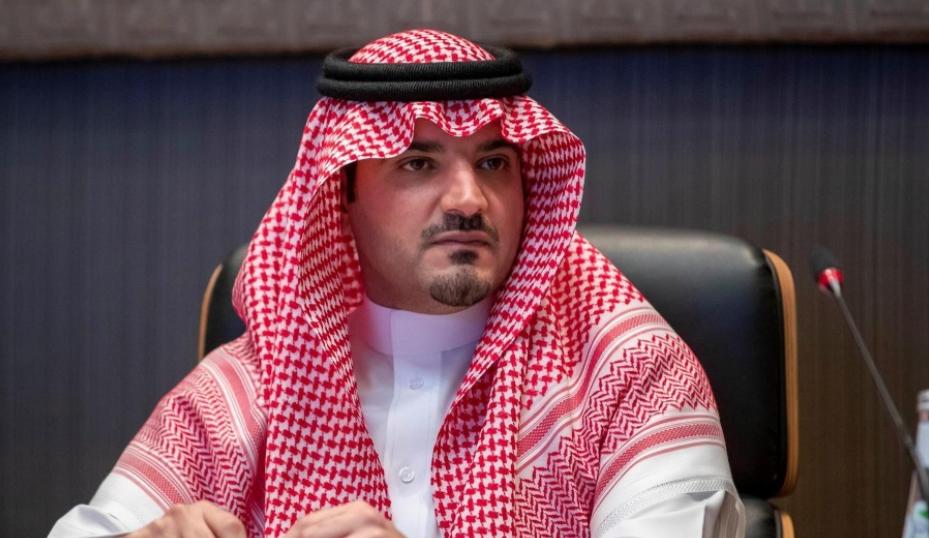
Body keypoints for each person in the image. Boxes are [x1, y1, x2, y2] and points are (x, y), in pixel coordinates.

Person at [49, 29, 744, 538]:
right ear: (341, 193)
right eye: (418, 164)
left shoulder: (631, 372)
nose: (468, 198)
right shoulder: (249, 389)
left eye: (494, 162)